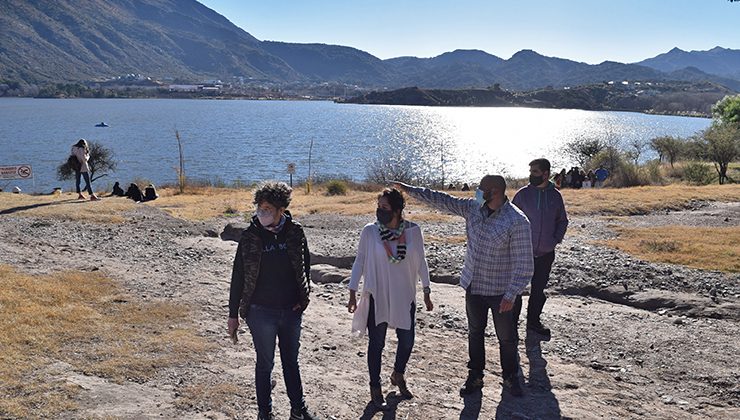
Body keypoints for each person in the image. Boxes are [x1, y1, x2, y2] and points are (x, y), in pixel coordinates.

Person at [395, 176, 533, 398]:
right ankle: (475, 376)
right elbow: (441, 200)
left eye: (481, 189)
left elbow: (524, 264)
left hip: (502, 294)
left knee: (507, 339)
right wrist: (408, 189)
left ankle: (510, 378)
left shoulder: (517, 221)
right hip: (474, 287)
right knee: (475, 333)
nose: (477, 192)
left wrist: (511, 295)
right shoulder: (473, 208)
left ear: (495, 191)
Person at [227, 182, 320, 420]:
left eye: (267, 207)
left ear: (281, 209)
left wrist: (303, 297)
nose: (262, 212)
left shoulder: (295, 231)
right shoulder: (250, 236)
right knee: (265, 364)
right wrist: (233, 314)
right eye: (260, 207)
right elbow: (238, 275)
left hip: (291, 311)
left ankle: (298, 410)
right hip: (260, 313)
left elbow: (304, 266)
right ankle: (264, 413)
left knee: (291, 362)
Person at [347, 188, 433, 410]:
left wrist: (426, 289)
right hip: (378, 294)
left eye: (384, 208)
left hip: (404, 295)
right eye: (378, 206)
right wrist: (352, 291)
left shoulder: (413, 231)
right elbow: (360, 261)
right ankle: (375, 387)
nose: (379, 211)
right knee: (377, 343)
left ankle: (398, 373)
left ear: (397, 210)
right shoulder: (370, 232)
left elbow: (421, 260)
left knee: (407, 340)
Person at [512, 159, 569, 340]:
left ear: (545, 174)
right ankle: (511, 326)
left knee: (538, 290)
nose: (531, 175)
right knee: (516, 289)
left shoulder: (555, 196)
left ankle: (533, 324)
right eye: (530, 171)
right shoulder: (522, 195)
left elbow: (562, 220)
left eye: (535, 172)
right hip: (522, 253)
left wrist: (555, 240)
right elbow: (510, 219)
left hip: (545, 253)